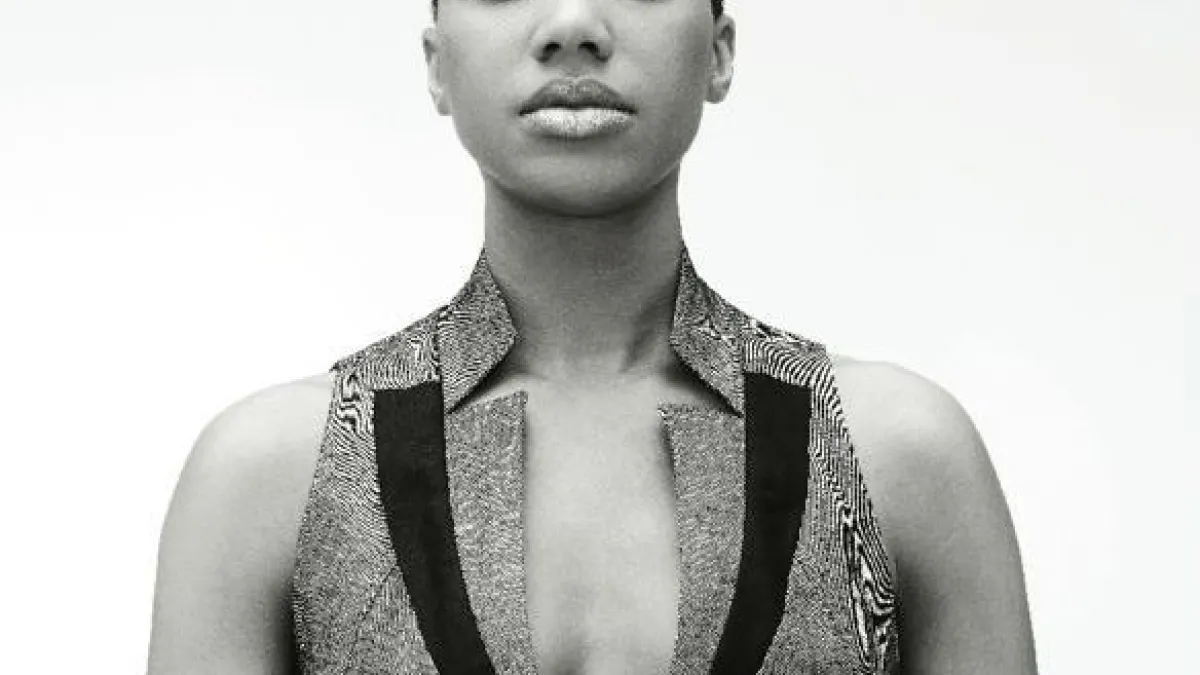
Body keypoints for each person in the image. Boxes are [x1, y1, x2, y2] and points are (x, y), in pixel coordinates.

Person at [148, 1, 1037, 673]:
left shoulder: (899, 457)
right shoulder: (270, 477)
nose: (572, 24)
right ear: (436, 64)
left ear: (720, 50)